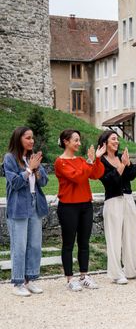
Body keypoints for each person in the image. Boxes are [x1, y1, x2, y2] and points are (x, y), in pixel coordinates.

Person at [54, 129, 105, 291]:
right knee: (68, 244)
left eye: (79, 140)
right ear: (66, 141)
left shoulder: (82, 160)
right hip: (68, 206)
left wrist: (96, 159)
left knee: (84, 243)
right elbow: (77, 177)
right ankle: (70, 278)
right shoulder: (60, 162)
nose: (79, 143)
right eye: (76, 140)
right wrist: (89, 163)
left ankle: (84, 276)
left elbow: (96, 174)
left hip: (85, 205)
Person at [3, 127, 49, 297]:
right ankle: (17, 282)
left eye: (32, 138)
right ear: (19, 139)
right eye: (28, 138)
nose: (32, 141)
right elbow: (14, 183)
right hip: (18, 206)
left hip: (35, 203)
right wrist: (29, 169)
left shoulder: (33, 157)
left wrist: (36, 170)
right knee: (20, 246)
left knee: (35, 245)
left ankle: (31, 280)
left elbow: (44, 182)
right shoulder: (9, 158)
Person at [97, 130, 136, 285]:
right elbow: (110, 181)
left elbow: (133, 175)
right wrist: (121, 166)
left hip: (127, 198)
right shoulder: (101, 161)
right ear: (105, 143)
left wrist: (128, 164)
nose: (116, 141)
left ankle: (131, 270)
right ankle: (116, 274)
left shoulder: (121, 156)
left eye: (117, 139)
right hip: (113, 200)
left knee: (132, 235)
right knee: (114, 238)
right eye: (113, 139)